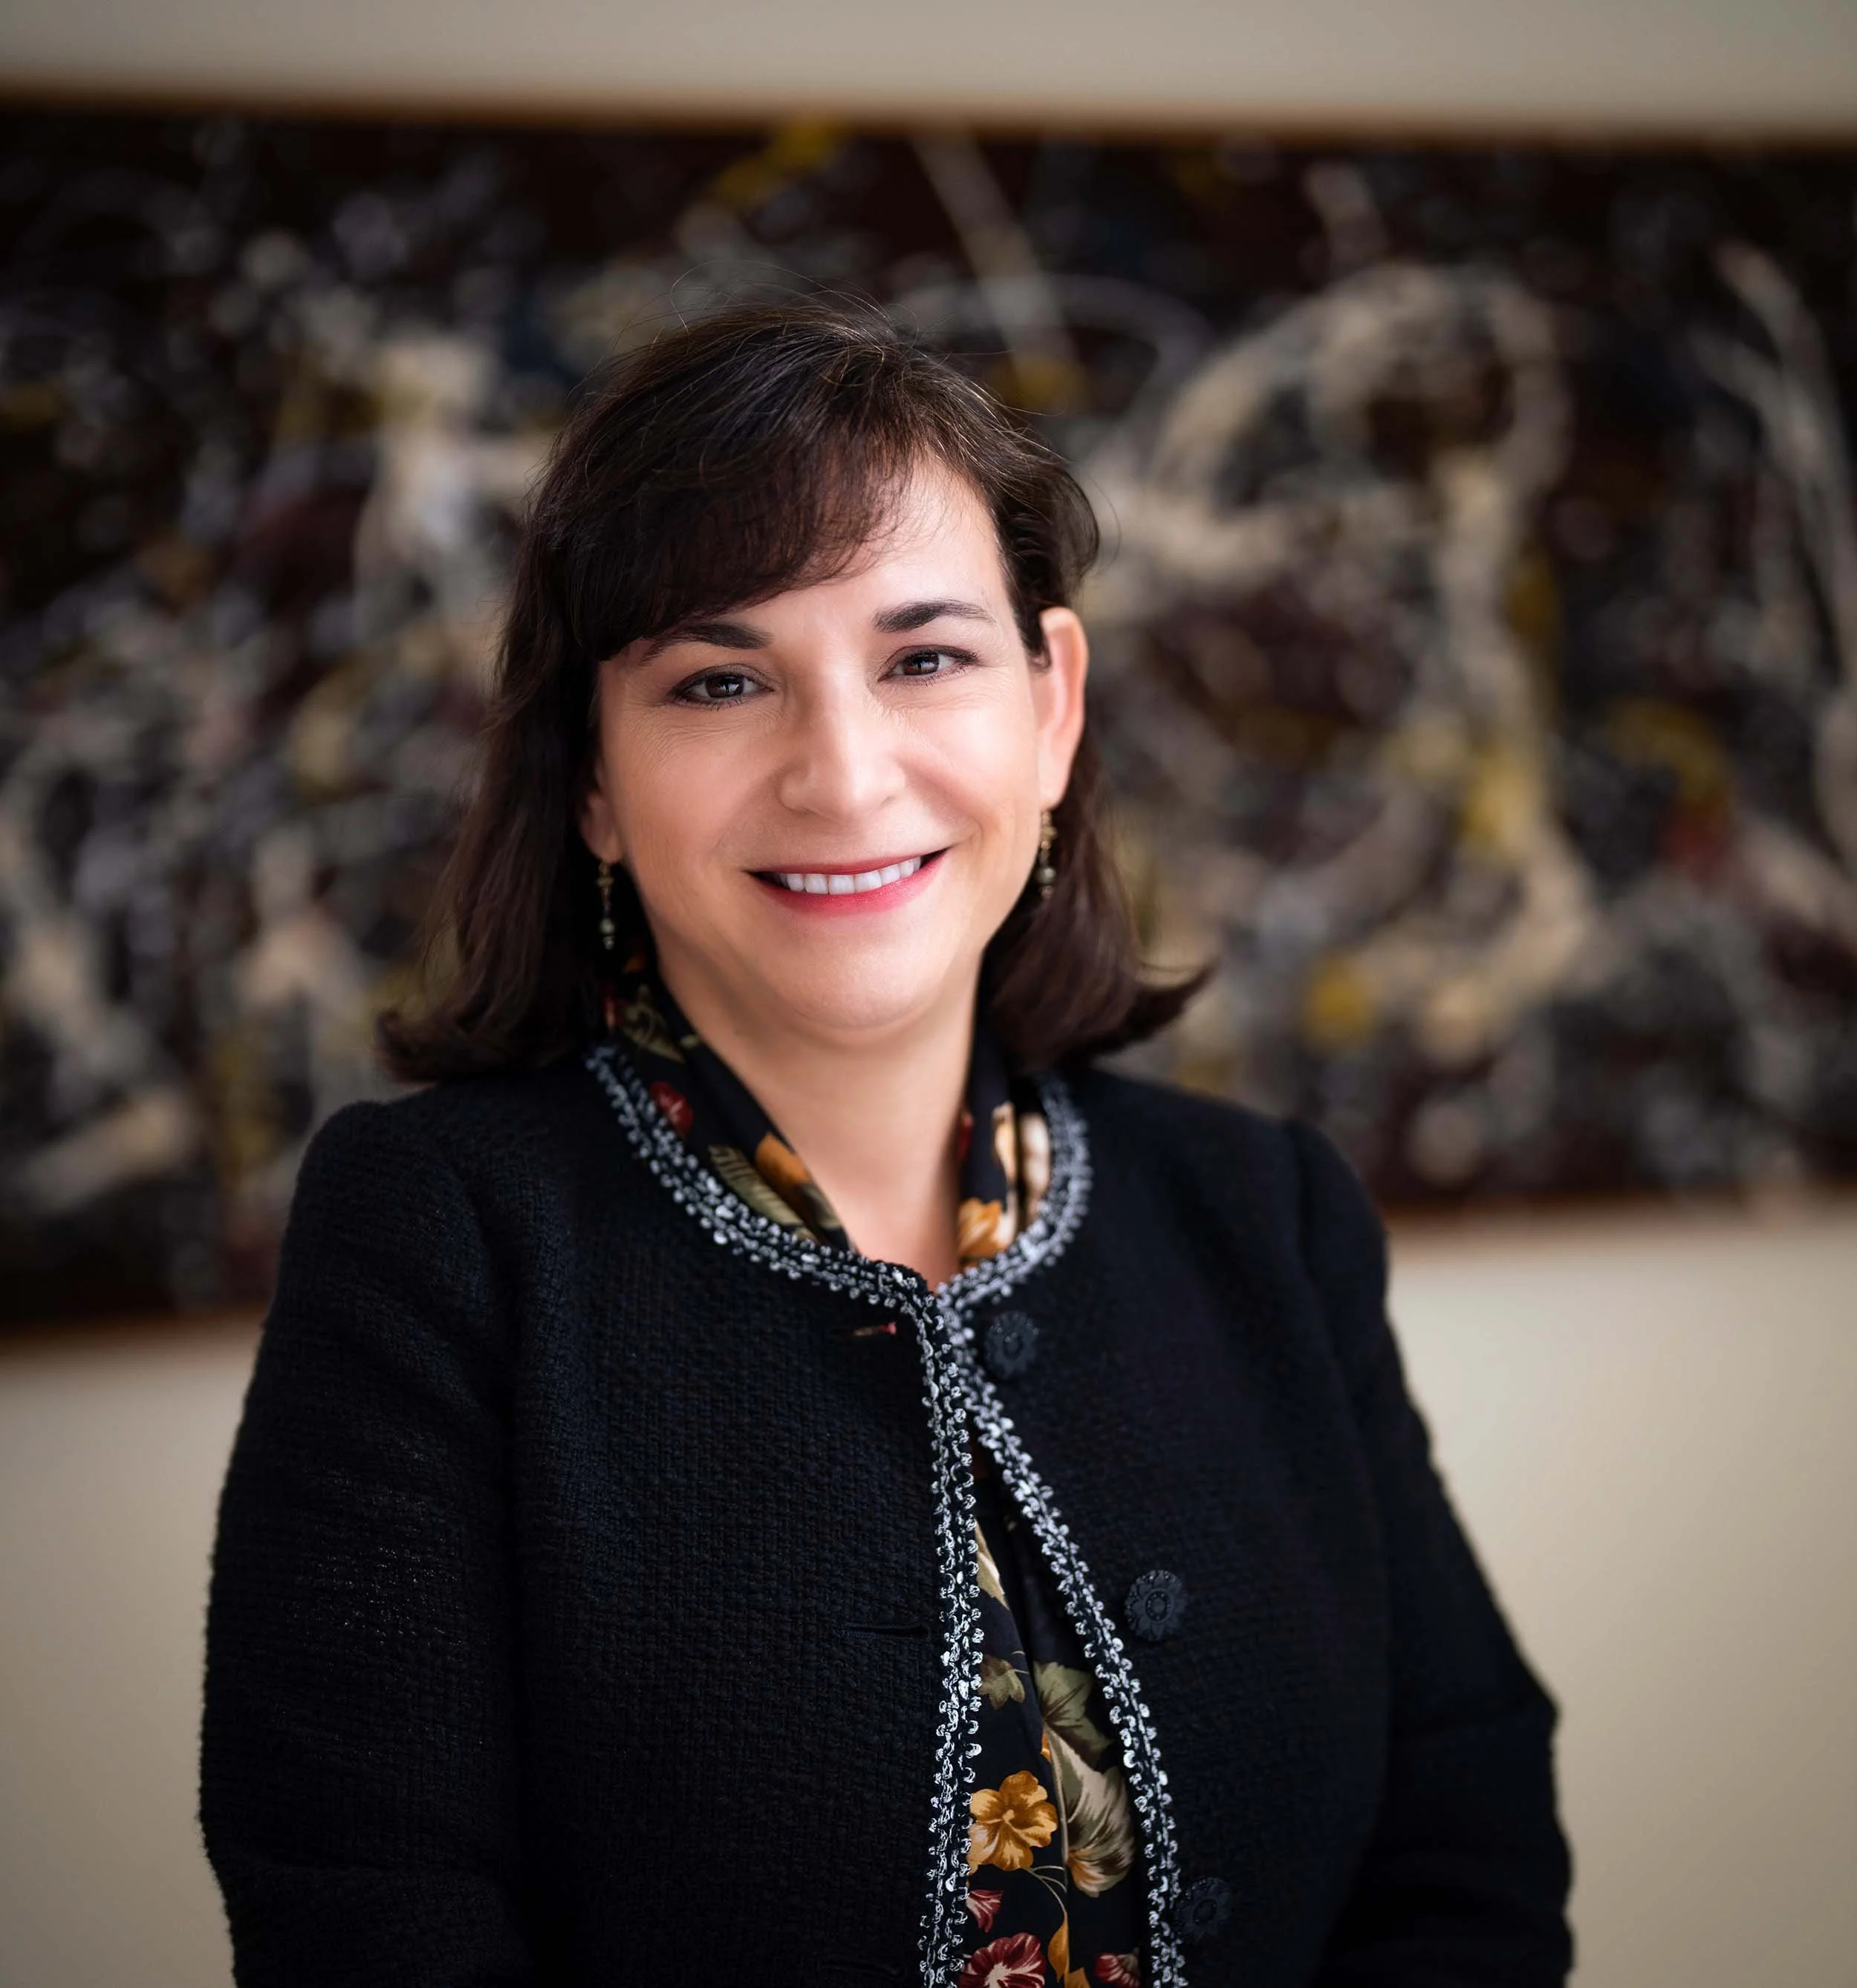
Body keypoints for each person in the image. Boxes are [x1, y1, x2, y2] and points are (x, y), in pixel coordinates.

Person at [198, 299, 1573, 1988]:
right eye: (720, 681)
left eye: (924, 659)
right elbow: (365, 1910)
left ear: (1051, 707)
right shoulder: (439, 1236)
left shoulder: (1263, 1213)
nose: (844, 778)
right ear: (593, 783)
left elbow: (1466, 1830)